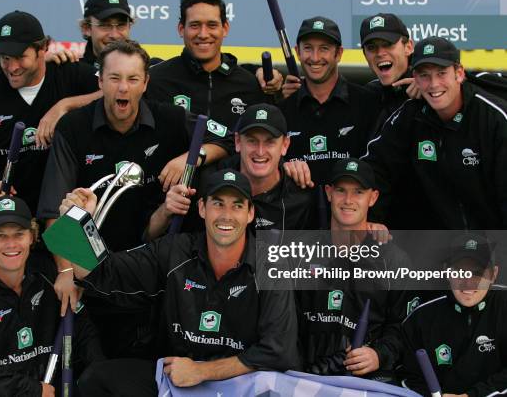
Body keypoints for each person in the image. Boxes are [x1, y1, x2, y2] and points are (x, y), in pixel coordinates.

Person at [37, 39, 229, 356]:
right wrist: (66, 271)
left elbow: (226, 139)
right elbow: (53, 212)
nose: (123, 88)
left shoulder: (169, 119)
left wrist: (189, 159)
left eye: (132, 79)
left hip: (151, 271)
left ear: (145, 83)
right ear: (100, 82)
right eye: (114, 78)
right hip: (91, 269)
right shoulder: (74, 126)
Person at [59, 169, 299, 396]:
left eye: (237, 206)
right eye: (218, 204)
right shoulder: (175, 251)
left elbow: (277, 352)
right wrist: (75, 222)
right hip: (176, 381)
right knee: (97, 380)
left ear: (250, 214)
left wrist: (201, 371)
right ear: (202, 208)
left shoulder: (271, 262)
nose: (226, 215)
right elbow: (102, 273)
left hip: (241, 384)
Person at [0, 10, 99, 249]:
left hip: (56, 223)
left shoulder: (70, 76)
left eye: (20, 57)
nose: (12, 67)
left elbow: (115, 90)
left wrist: (64, 105)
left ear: (43, 48)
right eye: (4, 58)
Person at [0, 196, 102, 396]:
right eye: (1, 236)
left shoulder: (50, 273)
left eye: (19, 234)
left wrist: (99, 376)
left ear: (32, 236)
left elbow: (83, 329)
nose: (11, 244)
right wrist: (32, 391)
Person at [362, 37, 507, 229]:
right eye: (424, 75)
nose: (434, 84)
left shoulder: (494, 117)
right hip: (445, 242)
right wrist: (370, 220)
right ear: (415, 79)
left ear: (459, 74)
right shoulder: (411, 114)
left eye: (441, 73)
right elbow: (374, 167)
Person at [297, 158, 407, 380]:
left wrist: (378, 355)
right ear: (328, 193)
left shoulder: (393, 259)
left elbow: (404, 326)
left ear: (373, 198)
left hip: (365, 379)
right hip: (304, 375)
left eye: (358, 192)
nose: (348, 200)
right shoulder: (300, 251)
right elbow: (284, 319)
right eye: (341, 190)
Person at [146, 103, 317, 239]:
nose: (259, 151)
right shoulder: (205, 182)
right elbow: (150, 239)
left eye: (270, 142)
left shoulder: (299, 195)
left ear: (285, 145)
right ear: (237, 142)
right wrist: (165, 211)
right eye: (251, 141)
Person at [144, 0, 271, 156]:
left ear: (225, 28)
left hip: (233, 180)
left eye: (212, 25)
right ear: (181, 29)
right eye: (195, 25)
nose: (203, 34)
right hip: (171, 180)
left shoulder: (251, 85)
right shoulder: (156, 80)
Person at [400, 233, 507, 396]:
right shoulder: (422, 317)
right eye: (459, 271)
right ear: (446, 272)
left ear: (493, 274)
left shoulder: (503, 306)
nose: (468, 282)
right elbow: (406, 376)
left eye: (477, 272)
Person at [278, 17, 380, 187]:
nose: (315, 57)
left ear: (339, 53)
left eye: (324, 49)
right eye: (308, 48)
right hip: (300, 212)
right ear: (298, 52)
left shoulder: (369, 103)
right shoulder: (282, 110)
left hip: (351, 211)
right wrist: (283, 167)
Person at [79, 0, 133, 69]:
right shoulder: (70, 74)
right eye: (105, 25)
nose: (114, 35)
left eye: (121, 25)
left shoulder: (146, 71)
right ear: (87, 28)